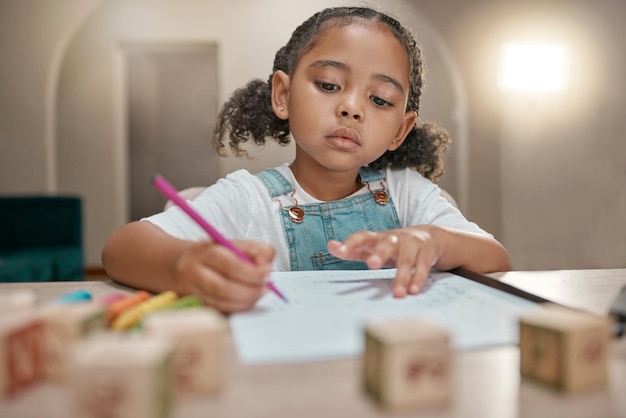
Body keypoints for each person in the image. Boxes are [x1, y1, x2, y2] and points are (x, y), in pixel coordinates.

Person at [102, 6, 510, 313]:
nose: (352, 108)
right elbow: (121, 250)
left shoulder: (406, 193)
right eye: (330, 84)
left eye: (380, 100)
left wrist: (433, 240)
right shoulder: (249, 199)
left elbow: (495, 257)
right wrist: (185, 265)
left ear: (399, 130)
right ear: (283, 94)